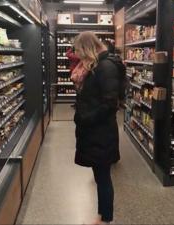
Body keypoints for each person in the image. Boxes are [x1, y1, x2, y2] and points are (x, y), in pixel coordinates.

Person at [72, 31, 125, 224]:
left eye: (78, 50)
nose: (77, 55)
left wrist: (86, 118)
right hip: (95, 132)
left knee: (103, 177)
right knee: (99, 176)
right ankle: (103, 214)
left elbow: (110, 103)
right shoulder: (95, 65)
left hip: (101, 132)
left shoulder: (106, 67)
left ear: (87, 48)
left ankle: (105, 219)